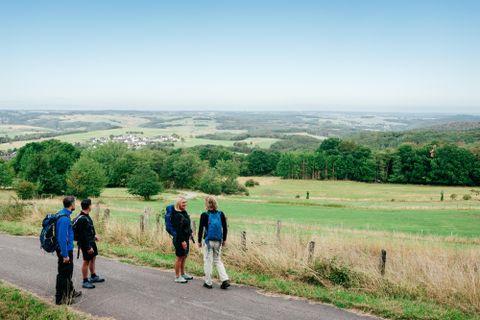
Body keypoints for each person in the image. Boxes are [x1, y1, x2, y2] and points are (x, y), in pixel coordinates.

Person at [198, 196, 230, 289]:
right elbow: (225, 228)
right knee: (218, 260)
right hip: (218, 241)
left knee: (208, 261)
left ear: (207, 204)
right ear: (216, 204)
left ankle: (208, 282)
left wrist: (199, 241)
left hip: (208, 241)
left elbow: (201, 229)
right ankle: (225, 279)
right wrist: (224, 240)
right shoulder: (221, 214)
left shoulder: (204, 215)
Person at [55, 196, 82, 305]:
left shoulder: (62, 213)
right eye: (74, 203)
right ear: (71, 205)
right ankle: (61, 299)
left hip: (64, 249)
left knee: (67, 273)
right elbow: (62, 238)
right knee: (64, 274)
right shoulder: (64, 219)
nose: (75, 205)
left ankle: (70, 291)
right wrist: (65, 255)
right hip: (65, 251)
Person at [74, 199, 105, 289]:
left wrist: (94, 236)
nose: (92, 206)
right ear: (89, 206)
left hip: (91, 241)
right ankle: (85, 281)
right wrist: (88, 247)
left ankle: (93, 276)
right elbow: (82, 235)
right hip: (86, 243)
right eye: (91, 205)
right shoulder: (82, 219)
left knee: (93, 258)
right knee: (86, 261)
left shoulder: (86, 216)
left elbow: (89, 230)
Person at [171, 197, 193, 283]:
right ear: (178, 204)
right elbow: (178, 230)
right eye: (183, 203)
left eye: (185, 202)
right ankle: (177, 276)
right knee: (179, 257)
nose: (185, 204)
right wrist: (182, 241)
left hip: (185, 238)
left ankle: (183, 274)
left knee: (184, 256)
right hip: (180, 239)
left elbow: (186, 226)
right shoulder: (176, 215)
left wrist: (190, 233)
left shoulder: (184, 212)